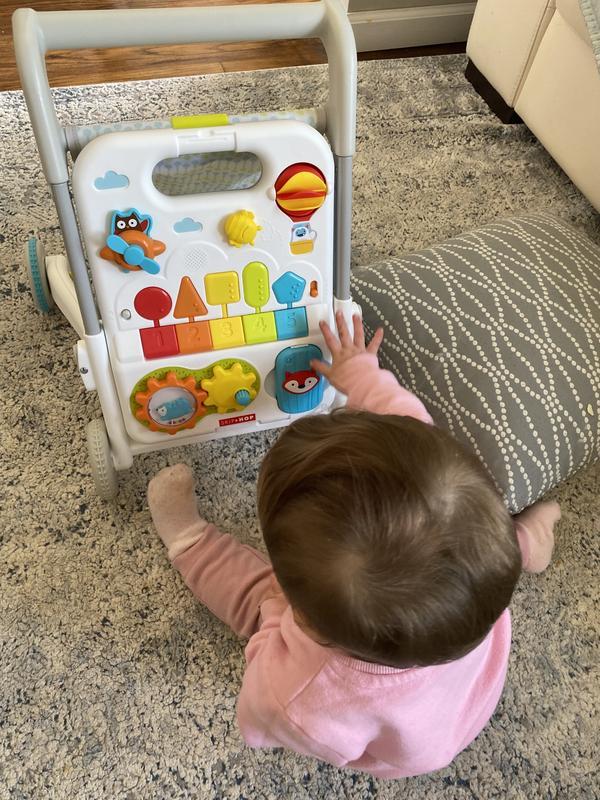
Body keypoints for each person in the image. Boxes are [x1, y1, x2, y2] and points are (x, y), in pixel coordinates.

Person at [147, 312, 560, 778]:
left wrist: (276, 630)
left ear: (308, 616)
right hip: (473, 670)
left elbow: (257, 722)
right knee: (481, 544)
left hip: (406, 745)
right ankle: (527, 542)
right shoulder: (447, 497)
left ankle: (188, 540)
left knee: (261, 601)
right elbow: (405, 421)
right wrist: (360, 373)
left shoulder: (298, 692)